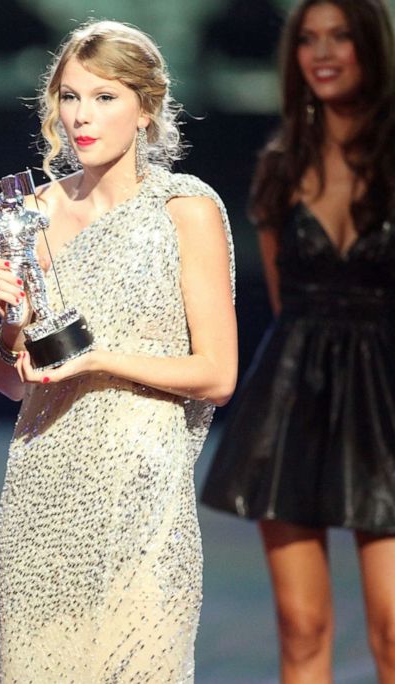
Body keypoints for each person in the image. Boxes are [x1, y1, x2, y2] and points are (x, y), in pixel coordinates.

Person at [0, 21, 237, 682]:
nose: (81, 117)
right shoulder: (31, 214)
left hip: (144, 497)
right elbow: (15, 384)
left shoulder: (186, 210)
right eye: (69, 97)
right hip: (44, 490)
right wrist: (10, 327)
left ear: (146, 107)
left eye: (104, 97)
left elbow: (216, 374)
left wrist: (99, 360)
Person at [200, 1, 395, 681]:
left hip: (388, 397)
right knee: (302, 625)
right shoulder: (280, 165)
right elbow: (287, 302)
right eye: (309, 39)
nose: (323, 52)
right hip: (294, 397)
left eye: (340, 36)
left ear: (371, 46)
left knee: (394, 625)